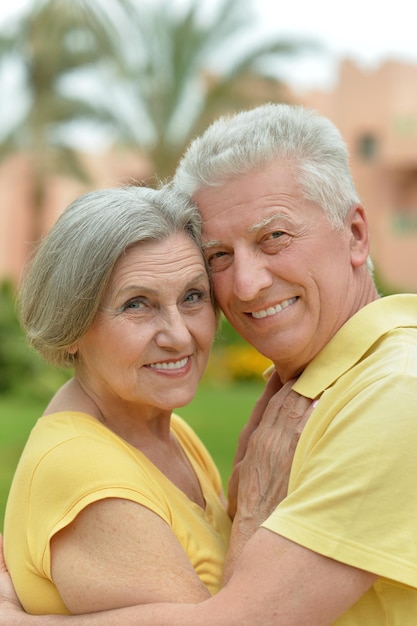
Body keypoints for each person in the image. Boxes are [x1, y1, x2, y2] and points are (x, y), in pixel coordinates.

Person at [1, 101, 417, 623]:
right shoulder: (108, 461)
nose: (246, 284)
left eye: (274, 238)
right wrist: (251, 515)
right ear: (74, 322)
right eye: (219, 256)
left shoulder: (393, 395)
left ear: (355, 233)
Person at [1, 183, 311, 616]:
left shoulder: (165, 431)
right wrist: (256, 511)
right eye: (137, 305)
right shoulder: (86, 473)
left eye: (192, 297)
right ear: (71, 326)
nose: (180, 335)